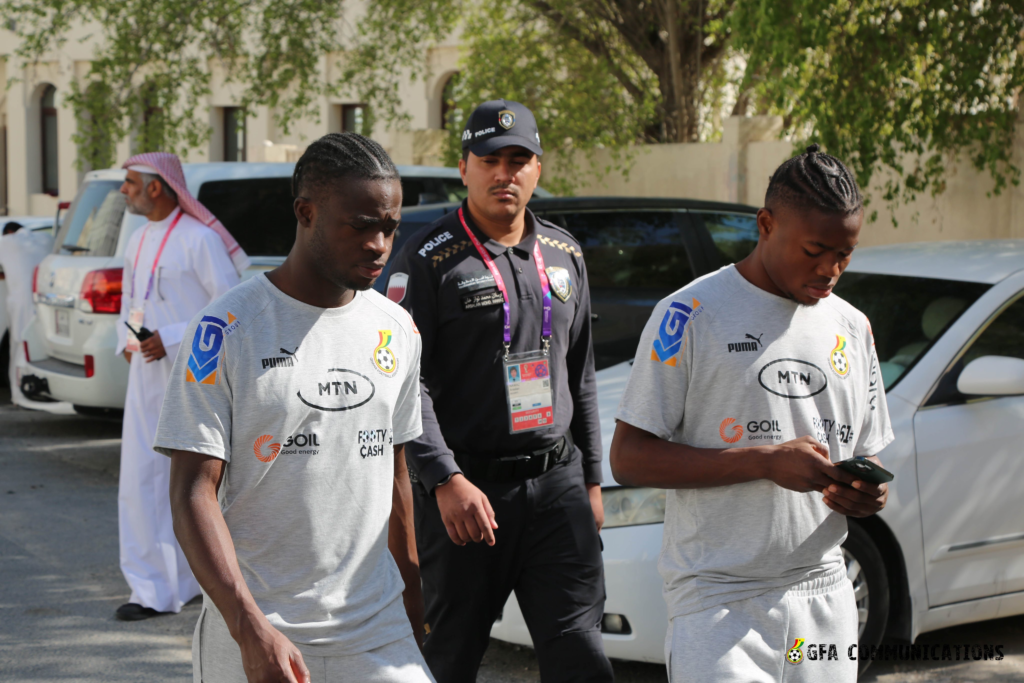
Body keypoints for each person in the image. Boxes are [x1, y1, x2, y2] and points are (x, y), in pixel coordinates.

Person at [154, 133, 433, 683]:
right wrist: (246, 623)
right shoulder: (226, 329)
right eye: (361, 225)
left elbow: (395, 471)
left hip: (376, 631)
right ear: (306, 213)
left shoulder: (395, 327)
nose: (380, 244)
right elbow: (192, 490)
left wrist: (414, 591)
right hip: (260, 632)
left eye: (390, 226)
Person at [610, 145, 893, 683]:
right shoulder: (689, 314)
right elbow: (629, 458)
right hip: (719, 599)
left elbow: (865, 450)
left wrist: (866, 493)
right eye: (814, 250)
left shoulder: (853, 328)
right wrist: (762, 461)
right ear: (766, 224)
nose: (829, 269)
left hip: (825, 592)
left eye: (844, 254)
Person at [387, 100, 613, 682]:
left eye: (518, 160)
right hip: (467, 496)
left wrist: (590, 481)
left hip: (557, 488)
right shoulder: (428, 260)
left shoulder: (566, 255)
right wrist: (443, 478)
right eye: (489, 159)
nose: (503, 174)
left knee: (581, 655)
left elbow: (580, 373)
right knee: (449, 659)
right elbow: (407, 384)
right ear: (464, 168)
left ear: (537, 169)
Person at [113, 152, 248, 621]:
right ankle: (149, 588)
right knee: (139, 479)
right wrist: (129, 340)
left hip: (192, 373)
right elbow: (132, 299)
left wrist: (168, 338)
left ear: (156, 187)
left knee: (190, 481)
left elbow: (229, 307)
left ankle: (189, 582)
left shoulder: (200, 239)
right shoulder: (137, 238)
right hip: (144, 371)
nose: (123, 190)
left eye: (130, 182)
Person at [0, 221, 51, 406]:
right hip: (45, 300)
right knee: (42, 347)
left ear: (9, 232)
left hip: (21, 303)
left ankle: (19, 394)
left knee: (18, 347)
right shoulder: (45, 239)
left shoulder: (6, 242)